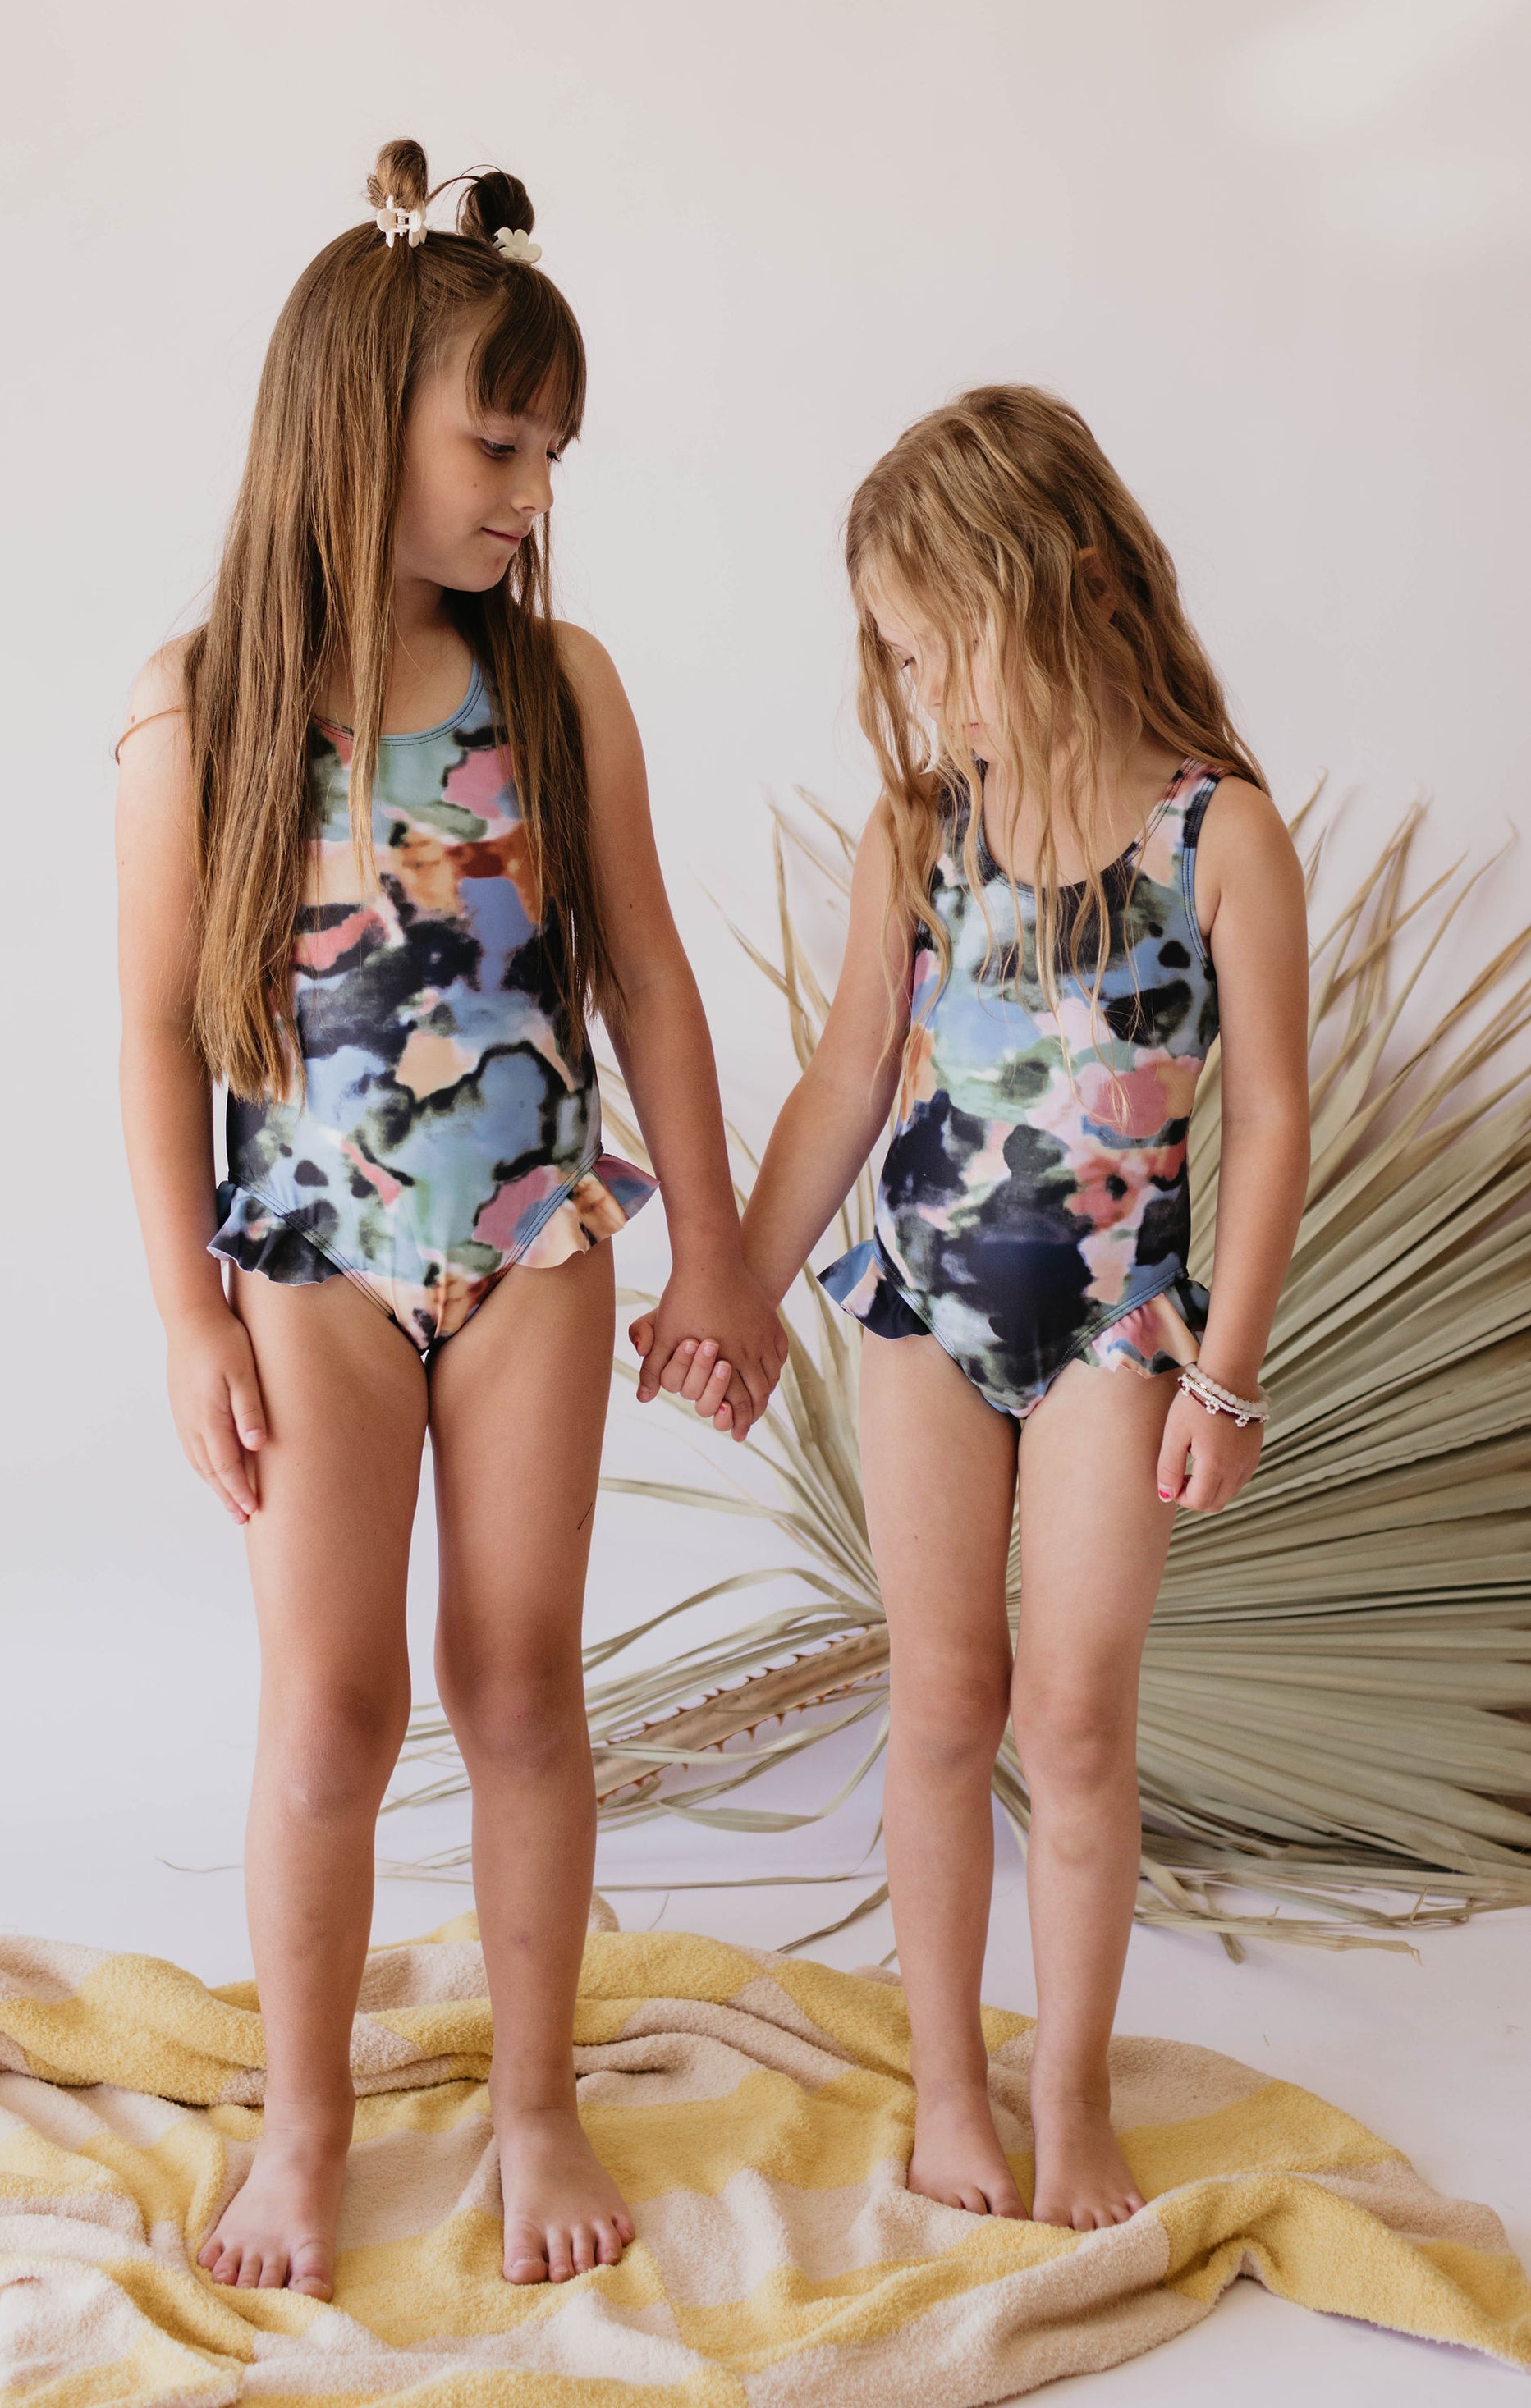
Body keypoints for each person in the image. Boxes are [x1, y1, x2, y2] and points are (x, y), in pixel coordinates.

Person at [115, 140, 784, 2297]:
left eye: (552, 451)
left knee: (518, 1682)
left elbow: (648, 975)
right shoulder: (200, 707)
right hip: (309, 1261)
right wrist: (188, 1312)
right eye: (499, 442)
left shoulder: (558, 686)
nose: (531, 488)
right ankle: (302, 2127)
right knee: (331, 1706)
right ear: (356, 424)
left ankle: (534, 2098)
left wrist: (715, 1251)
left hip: (532, 1249)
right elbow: (157, 1033)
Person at [647, 386, 1309, 2231]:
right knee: (940, 1696)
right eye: (894, 654)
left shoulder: (1215, 834)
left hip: (1117, 1332)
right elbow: (845, 1082)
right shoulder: (922, 833)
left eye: (943, 645)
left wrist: (1226, 1376)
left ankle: (1069, 2085)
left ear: (1071, 583)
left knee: (1071, 1718)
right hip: (920, 1313)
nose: (923, 690)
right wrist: (731, 1288)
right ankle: (948, 2081)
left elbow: (1270, 1122)